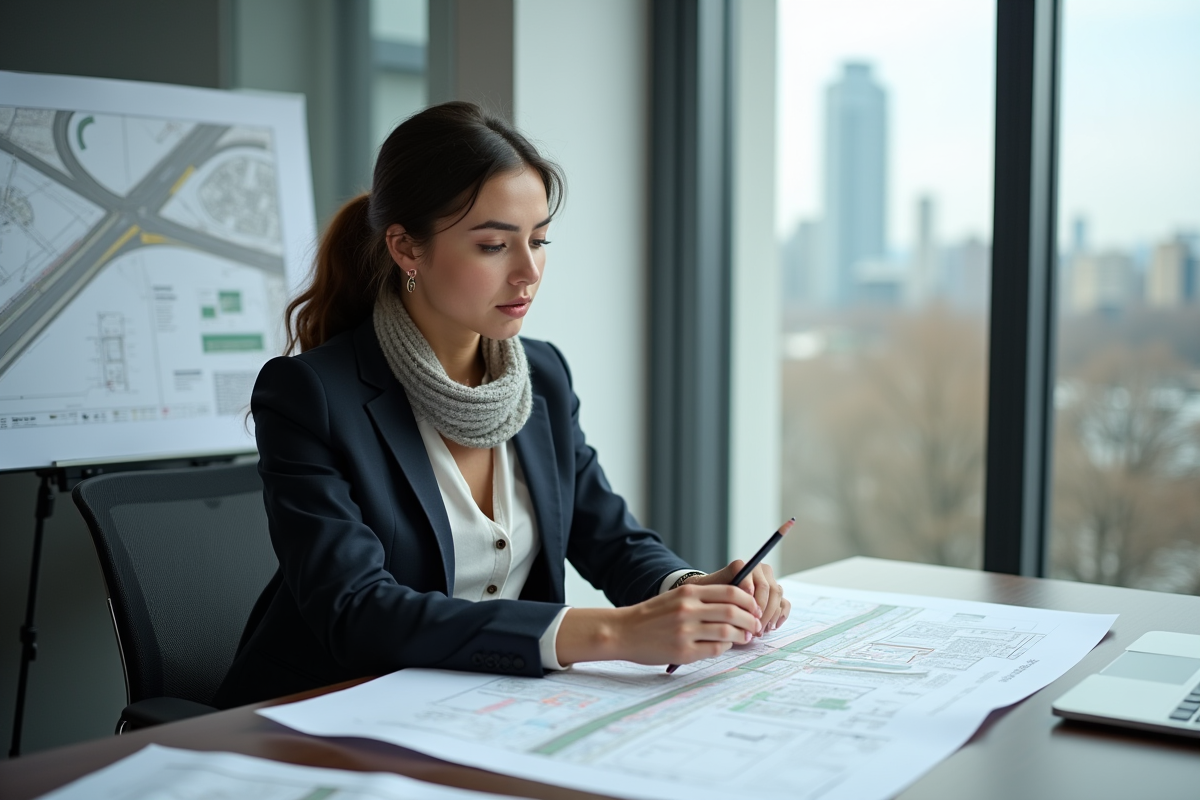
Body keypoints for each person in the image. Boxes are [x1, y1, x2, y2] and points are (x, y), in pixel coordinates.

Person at [214, 102, 790, 709]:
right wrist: (612, 633)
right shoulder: (310, 395)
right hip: (325, 711)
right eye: (494, 245)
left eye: (539, 241)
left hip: (485, 709)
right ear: (407, 250)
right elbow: (357, 611)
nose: (528, 273)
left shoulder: (542, 374)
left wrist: (695, 589)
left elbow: (609, 537)